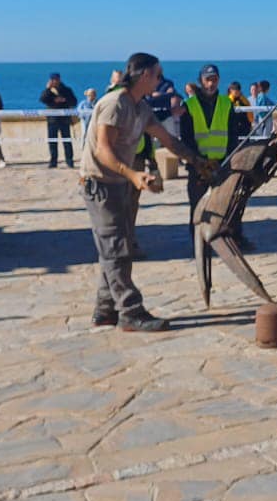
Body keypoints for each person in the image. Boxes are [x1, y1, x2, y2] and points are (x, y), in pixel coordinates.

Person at [80, 52, 203, 332]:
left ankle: (105, 310)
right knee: (116, 249)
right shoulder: (114, 104)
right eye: (158, 75)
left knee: (116, 246)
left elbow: (167, 139)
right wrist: (133, 174)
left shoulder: (140, 107)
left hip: (118, 183)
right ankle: (130, 311)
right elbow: (103, 150)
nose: (161, 80)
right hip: (100, 184)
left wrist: (197, 161)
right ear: (145, 75)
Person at [180, 64, 252, 241]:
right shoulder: (189, 105)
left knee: (227, 204)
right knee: (198, 207)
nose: (211, 84)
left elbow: (233, 134)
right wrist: (199, 162)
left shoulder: (226, 103)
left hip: (222, 164)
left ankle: (232, 238)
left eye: (214, 79)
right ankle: (199, 244)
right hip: (198, 166)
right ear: (201, 81)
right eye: (207, 80)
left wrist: (229, 160)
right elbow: (186, 137)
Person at [39, 72, 79, 168]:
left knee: (67, 141)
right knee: (52, 141)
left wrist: (64, 100)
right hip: (52, 119)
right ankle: (53, 161)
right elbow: (42, 99)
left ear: (59, 80)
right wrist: (47, 89)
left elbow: (74, 102)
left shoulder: (66, 90)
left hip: (64, 119)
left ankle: (69, 161)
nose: (54, 81)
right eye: (52, 80)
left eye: (56, 79)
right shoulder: (48, 91)